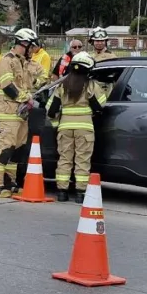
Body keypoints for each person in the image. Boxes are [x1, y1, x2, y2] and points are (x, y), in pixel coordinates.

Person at [0, 28, 43, 198]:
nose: (33, 50)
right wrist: (25, 98)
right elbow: (8, 87)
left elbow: (29, 83)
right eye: (31, 46)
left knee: (17, 150)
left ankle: (9, 182)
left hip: (21, 113)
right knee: (5, 148)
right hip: (8, 112)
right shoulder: (7, 61)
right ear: (24, 44)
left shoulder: (22, 62)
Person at [48, 51, 107, 203]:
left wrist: (57, 126)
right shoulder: (91, 85)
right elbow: (101, 106)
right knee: (82, 160)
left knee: (65, 159)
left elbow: (51, 110)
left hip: (65, 128)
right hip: (84, 129)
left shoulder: (62, 86)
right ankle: (80, 194)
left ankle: (62, 192)